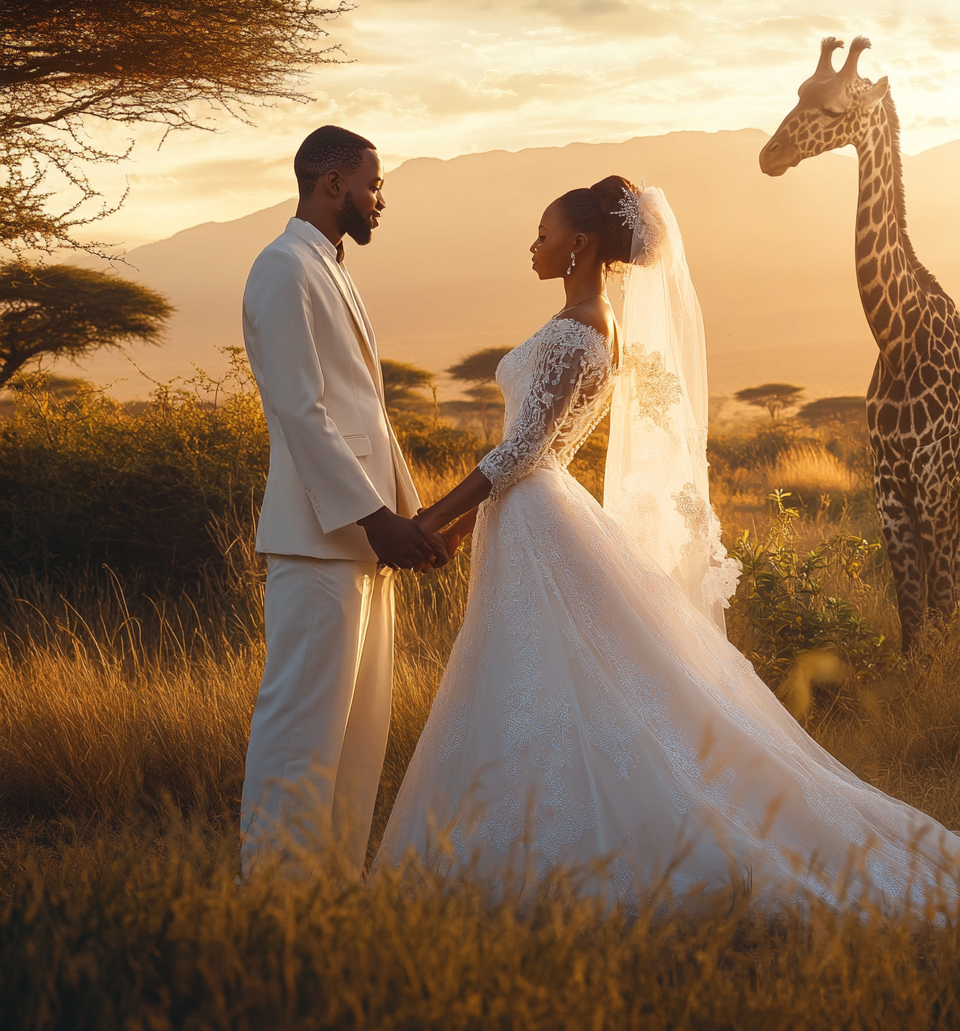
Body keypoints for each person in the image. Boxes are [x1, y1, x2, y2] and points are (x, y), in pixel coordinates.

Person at [375, 176, 960, 911]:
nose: (534, 244)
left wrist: (433, 519)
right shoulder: (589, 321)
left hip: (536, 513)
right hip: (527, 516)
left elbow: (524, 449)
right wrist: (459, 526)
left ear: (579, 244)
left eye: (543, 232)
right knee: (542, 676)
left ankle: (540, 853)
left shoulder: (581, 328)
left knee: (548, 676)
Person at [240, 125, 448, 876]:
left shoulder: (329, 267)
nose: (379, 199)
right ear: (332, 184)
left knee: (357, 740)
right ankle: (273, 903)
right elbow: (301, 410)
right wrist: (375, 519)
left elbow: (365, 414)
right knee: (301, 732)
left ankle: (329, 898)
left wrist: (413, 519)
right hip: (318, 537)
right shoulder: (283, 267)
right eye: (373, 183)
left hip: (362, 542)